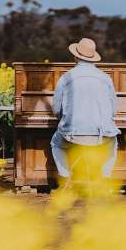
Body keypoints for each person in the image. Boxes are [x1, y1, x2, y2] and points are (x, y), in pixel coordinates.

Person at [51, 38, 121, 180]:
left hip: (72, 134)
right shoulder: (106, 78)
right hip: (101, 135)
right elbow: (114, 110)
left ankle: (66, 178)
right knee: (113, 144)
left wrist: (66, 119)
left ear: (76, 56)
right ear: (93, 57)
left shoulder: (65, 78)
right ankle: (104, 179)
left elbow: (57, 110)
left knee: (55, 144)